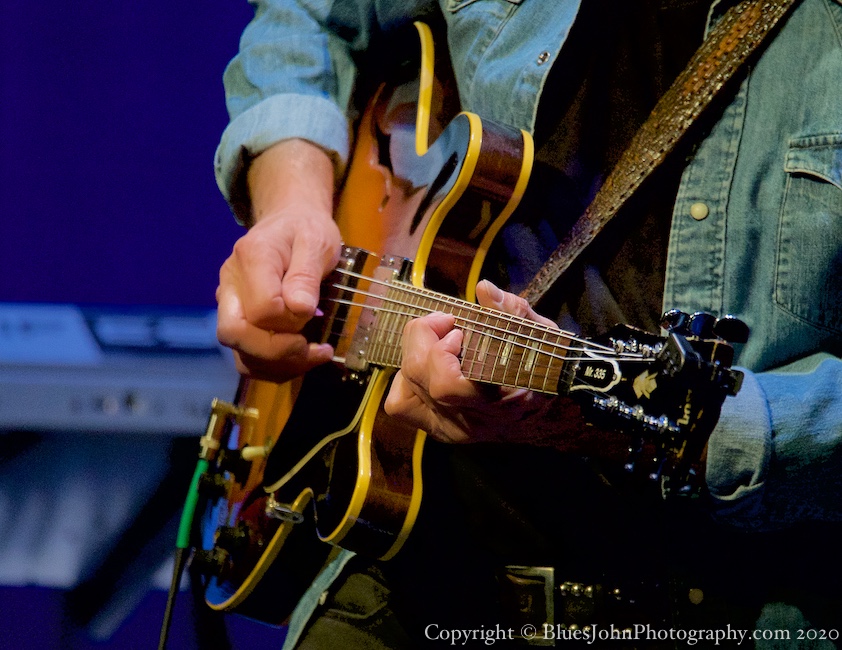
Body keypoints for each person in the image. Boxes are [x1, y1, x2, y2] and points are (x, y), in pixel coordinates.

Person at [213, 0, 842, 646]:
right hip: (416, 573)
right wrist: (290, 208)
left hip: (747, 610)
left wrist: (637, 427)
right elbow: (307, 20)